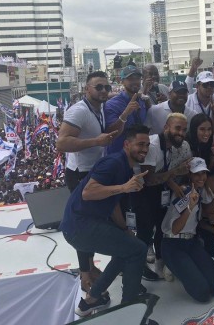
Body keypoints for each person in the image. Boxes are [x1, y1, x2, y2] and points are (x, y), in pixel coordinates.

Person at [59, 125, 150, 316]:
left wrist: (124, 229)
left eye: (147, 145)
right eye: (140, 144)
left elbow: (113, 202)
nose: (144, 148)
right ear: (126, 144)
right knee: (138, 250)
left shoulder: (126, 165)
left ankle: (92, 299)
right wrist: (124, 188)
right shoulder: (114, 163)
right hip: (80, 226)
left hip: (80, 224)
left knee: (127, 247)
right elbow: (88, 192)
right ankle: (129, 312)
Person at [56, 70, 117, 292]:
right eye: (98, 87)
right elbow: (61, 143)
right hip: (80, 174)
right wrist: (95, 141)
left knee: (90, 221)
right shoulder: (79, 111)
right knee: (84, 224)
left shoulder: (98, 108)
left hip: (91, 171)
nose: (103, 91)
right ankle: (85, 274)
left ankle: (90, 265)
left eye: (106, 87)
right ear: (87, 89)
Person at [139, 113, 192, 279]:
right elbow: (148, 179)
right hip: (141, 191)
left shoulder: (175, 146)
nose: (181, 133)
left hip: (160, 190)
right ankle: (138, 268)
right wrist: (176, 172)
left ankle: (160, 264)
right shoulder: (153, 145)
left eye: (184, 130)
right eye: (177, 128)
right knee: (144, 232)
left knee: (161, 228)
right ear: (166, 128)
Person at [160, 157, 214, 302]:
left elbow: (207, 211)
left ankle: (186, 267)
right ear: (190, 175)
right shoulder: (184, 193)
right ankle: (172, 266)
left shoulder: (201, 191)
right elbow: (174, 229)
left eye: (203, 173)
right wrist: (189, 208)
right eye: (197, 174)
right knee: (202, 293)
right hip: (173, 244)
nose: (201, 177)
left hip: (191, 242)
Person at [104, 65, 150, 155]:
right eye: (130, 79)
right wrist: (125, 114)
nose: (135, 82)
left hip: (139, 156)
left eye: (137, 78)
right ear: (122, 82)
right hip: (117, 156)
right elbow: (110, 134)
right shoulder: (112, 104)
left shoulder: (142, 101)